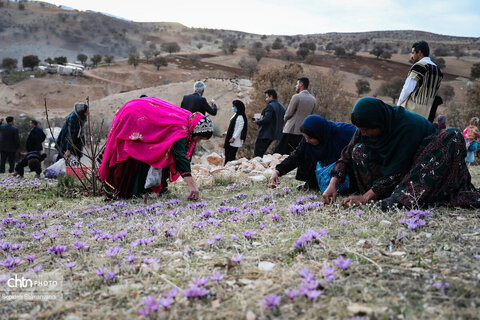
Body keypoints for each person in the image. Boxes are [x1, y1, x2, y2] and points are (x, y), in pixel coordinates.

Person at [322, 97, 480, 209]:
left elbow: (398, 171)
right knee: (357, 150)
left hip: (422, 170)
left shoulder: (406, 128)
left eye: (367, 129)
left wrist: (365, 198)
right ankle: (385, 193)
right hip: (394, 179)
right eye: (360, 129)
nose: (363, 133)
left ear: (380, 123)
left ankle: (398, 198)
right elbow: (346, 155)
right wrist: (333, 183)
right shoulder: (365, 129)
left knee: (453, 135)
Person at [98, 97, 214, 200]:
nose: (197, 141)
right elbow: (179, 156)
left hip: (141, 112)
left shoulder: (189, 121)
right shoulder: (181, 129)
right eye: (198, 138)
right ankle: (126, 191)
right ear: (195, 132)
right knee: (134, 150)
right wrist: (191, 185)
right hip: (134, 115)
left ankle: (144, 189)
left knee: (149, 151)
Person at [269, 115, 356, 190]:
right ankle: (313, 184)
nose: (307, 141)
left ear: (319, 135)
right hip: (327, 172)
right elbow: (296, 156)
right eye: (305, 137)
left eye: (310, 138)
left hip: (346, 171)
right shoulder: (308, 140)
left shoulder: (343, 133)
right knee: (306, 153)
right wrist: (277, 171)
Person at [398, 41, 443, 121]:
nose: (411, 56)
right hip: (428, 113)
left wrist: (398, 107)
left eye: (413, 53)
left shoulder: (419, 66)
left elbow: (407, 89)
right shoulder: (438, 70)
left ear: (419, 53)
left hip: (411, 111)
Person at [275, 77, 316, 155]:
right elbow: (311, 114)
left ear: (301, 84)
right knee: (295, 153)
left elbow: (289, 113)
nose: (295, 86)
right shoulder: (313, 99)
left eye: (297, 84)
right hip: (304, 131)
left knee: (280, 152)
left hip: (292, 129)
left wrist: (284, 119)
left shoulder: (296, 97)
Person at [253, 89, 286, 157]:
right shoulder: (282, 107)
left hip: (265, 133)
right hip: (275, 134)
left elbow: (267, 119)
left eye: (267, 97)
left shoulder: (270, 106)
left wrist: (258, 121)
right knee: (263, 151)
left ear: (271, 96)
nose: (266, 99)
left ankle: (258, 166)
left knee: (258, 152)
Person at [223, 100, 247, 165]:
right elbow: (232, 127)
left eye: (234, 106)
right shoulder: (235, 115)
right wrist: (227, 133)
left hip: (234, 139)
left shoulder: (240, 117)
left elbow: (239, 129)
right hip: (230, 137)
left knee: (231, 154)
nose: (233, 107)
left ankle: (230, 168)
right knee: (227, 153)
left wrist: (233, 137)